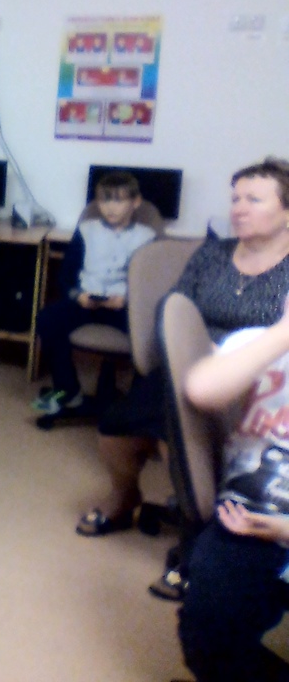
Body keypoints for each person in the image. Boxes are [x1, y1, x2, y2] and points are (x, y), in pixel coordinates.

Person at [77, 158, 289, 540]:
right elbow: (174, 305)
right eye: (235, 199)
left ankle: (197, 529)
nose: (239, 208)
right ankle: (124, 497)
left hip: (256, 384)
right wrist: (189, 345)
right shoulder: (213, 254)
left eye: (254, 200)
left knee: (176, 435)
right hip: (188, 363)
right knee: (113, 426)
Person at [179, 247, 289, 679]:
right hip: (251, 517)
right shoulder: (258, 343)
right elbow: (202, 390)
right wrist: (283, 333)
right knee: (207, 637)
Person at [31, 171, 158, 417]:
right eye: (104, 200)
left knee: (154, 334)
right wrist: (77, 296)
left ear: (135, 202)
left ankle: (136, 403)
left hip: (124, 306)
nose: (110, 207)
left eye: (118, 200)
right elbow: (66, 275)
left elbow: (151, 282)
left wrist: (128, 300)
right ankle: (68, 390)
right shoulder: (86, 231)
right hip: (87, 301)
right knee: (47, 319)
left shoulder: (147, 237)